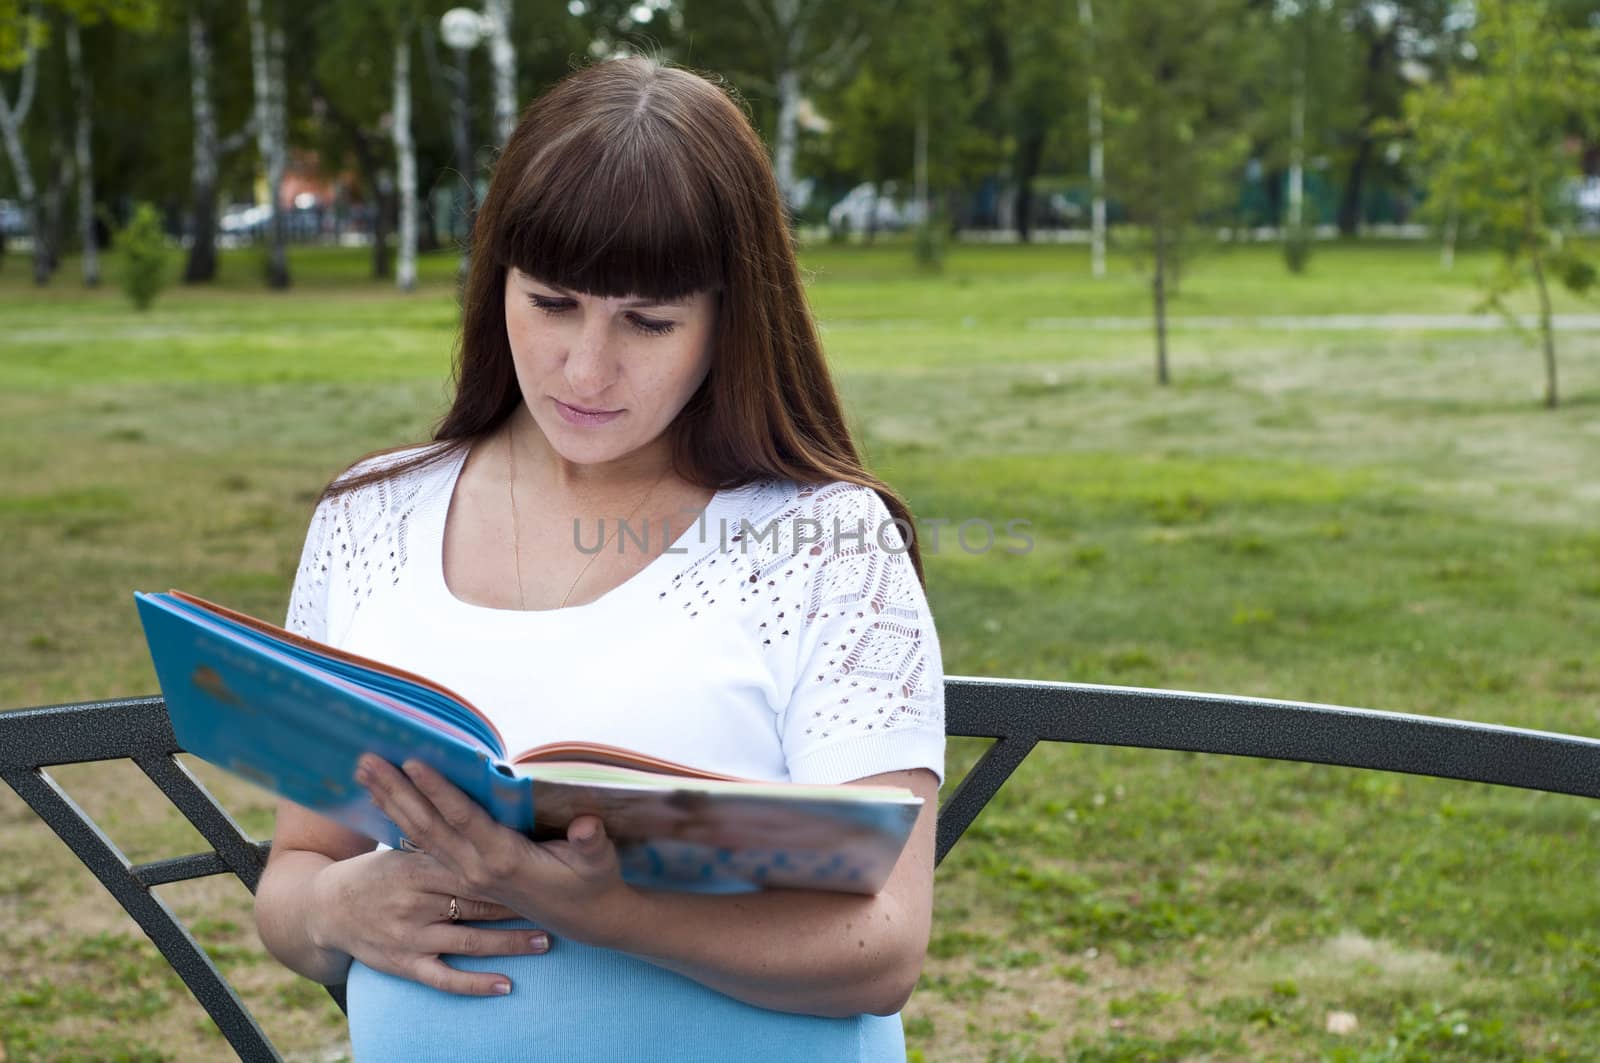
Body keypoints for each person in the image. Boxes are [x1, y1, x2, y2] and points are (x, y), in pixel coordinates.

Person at [251, 55, 945, 1063]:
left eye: (648, 322)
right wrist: (335, 911)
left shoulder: (822, 541)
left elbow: (880, 947)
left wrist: (603, 910)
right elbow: (296, 875)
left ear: (729, 317)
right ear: (499, 282)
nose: (585, 369)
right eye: (551, 303)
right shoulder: (372, 518)